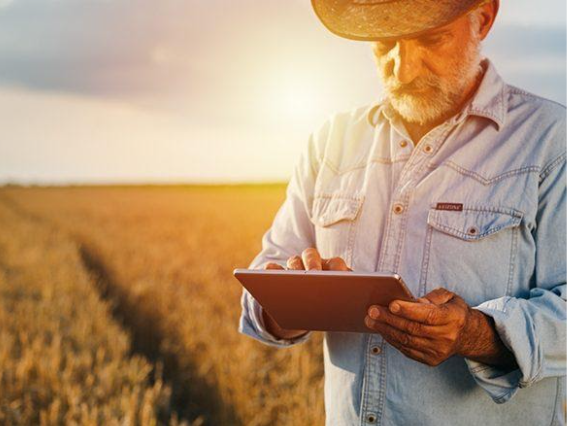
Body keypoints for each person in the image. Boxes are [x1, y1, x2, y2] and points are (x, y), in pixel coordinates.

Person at [238, 0, 566, 424]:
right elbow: (261, 291)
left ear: (483, 19)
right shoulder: (330, 142)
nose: (403, 68)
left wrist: (477, 335)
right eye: (385, 43)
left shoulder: (552, 142)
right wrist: (287, 300)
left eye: (431, 39)